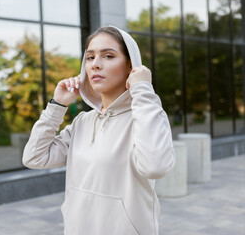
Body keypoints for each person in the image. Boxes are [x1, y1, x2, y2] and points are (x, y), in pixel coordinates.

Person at [22, 25, 175, 235]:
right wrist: (56, 106)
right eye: (90, 57)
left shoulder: (146, 118)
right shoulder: (82, 122)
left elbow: (155, 167)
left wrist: (143, 90)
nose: (95, 65)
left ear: (131, 67)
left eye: (108, 56)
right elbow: (34, 157)